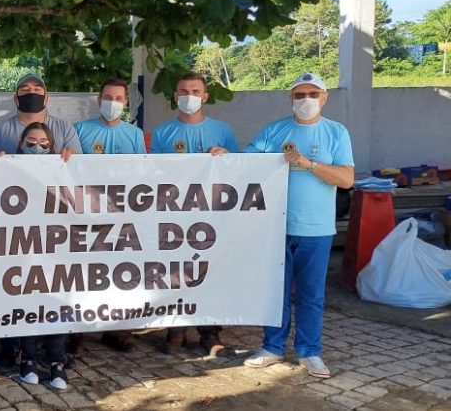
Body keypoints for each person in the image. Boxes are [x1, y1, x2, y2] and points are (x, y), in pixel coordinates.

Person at [242, 73, 354, 378]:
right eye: (300, 95)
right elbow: (245, 162)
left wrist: (310, 165)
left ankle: (309, 351)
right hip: (276, 227)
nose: (306, 100)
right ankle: (272, 347)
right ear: (290, 99)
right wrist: (222, 156)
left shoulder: (336, 132)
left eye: (313, 94)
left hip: (317, 228)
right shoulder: (274, 130)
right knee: (275, 292)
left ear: (324, 98)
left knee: (311, 294)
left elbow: (346, 179)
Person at [148, 71, 238, 355]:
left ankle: (210, 333)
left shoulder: (222, 130)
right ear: (175, 96)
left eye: (195, 91)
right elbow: (153, 174)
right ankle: (175, 330)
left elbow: (239, 168)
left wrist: (227, 156)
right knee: (175, 272)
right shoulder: (162, 133)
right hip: (175, 215)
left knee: (209, 272)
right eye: (184, 92)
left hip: (211, 214)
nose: (190, 96)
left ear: (205, 96)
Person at [71, 78, 145, 354]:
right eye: (108, 97)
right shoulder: (80, 130)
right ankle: (76, 330)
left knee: (119, 271)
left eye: (118, 98)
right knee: (83, 272)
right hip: (86, 212)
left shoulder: (134, 134)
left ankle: (117, 330)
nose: (112, 103)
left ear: (126, 103)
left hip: (122, 212)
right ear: (98, 99)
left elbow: (143, 171)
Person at [7, 122, 70, 390]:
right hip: (22, 247)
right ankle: (28, 359)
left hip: (55, 246)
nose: (37, 147)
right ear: (21, 143)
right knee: (26, 301)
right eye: (31, 142)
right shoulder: (9, 167)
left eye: (44, 143)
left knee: (56, 301)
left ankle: (57, 361)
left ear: (51, 145)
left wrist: (72, 163)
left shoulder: (62, 167)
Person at [0, 73, 82, 158]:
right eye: (25, 90)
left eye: (37, 89)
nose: (31, 92)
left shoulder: (64, 128)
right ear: (16, 99)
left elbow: (78, 166)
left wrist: (73, 157)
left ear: (46, 99)